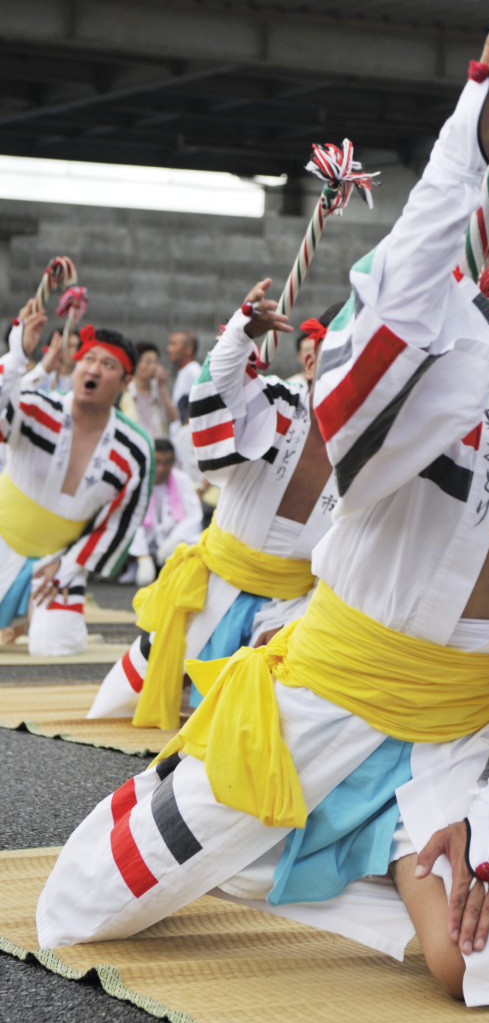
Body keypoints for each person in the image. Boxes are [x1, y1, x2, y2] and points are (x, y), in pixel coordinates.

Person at [40, 5, 489, 1013]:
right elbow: (396, 312)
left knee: (487, 973)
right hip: (314, 697)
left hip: (458, 736)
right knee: (79, 904)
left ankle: (377, 849)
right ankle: (281, 848)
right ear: (484, 285)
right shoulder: (427, 408)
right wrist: (469, 144)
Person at [87, 309, 336, 727]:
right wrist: (240, 337)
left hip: (295, 604)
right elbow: (210, 435)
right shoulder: (276, 403)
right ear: (311, 362)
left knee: (267, 726)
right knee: (120, 704)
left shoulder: (377, 450)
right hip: (216, 579)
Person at [0, 314, 152, 654]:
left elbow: (120, 521)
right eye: (88, 359)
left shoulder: (135, 448)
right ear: (76, 365)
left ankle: (36, 615)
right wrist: (17, 356)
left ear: (125, 381)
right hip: (2, 534)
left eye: (107, 364)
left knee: (57, 645)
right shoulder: (37, 405)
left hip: (61, 557)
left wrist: (70, 565)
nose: (94, 370)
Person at [127, 439, 204, 586]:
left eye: (167, 462)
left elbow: (194, 515)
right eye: (157, 462)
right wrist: (143, 557)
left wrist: (175, 538)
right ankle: (137, 565)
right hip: (146, 544)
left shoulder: (182, 479)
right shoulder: (138, 480)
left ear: (173, 462)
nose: (161, 469)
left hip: (172, 544)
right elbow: (132, 520)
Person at [119, 343, 180, 442]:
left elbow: (173, 418)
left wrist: (163, 387)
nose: (153, 367)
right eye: (148, 362)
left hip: (159, 448)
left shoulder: (159, 389)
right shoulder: (125, 390)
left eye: (156, 362)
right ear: (136, 364)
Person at [22, 327, 81, 395]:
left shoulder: (80, 380)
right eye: (69, 346)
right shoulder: (43, 376)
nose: (75, 351)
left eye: (77, 347)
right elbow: (23, 390)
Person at [166, 331, 201, 424]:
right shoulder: (185, 370)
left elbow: (199, 407)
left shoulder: (192, 371)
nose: (168, 348)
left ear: (189, 349)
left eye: (174, 344)